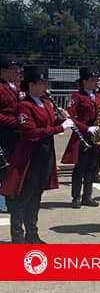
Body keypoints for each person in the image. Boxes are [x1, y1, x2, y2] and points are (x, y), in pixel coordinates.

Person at [0, 66, 77, 244]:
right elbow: (31, 132)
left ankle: (32, 233)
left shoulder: (46, 102)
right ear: (32, 84)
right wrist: (60, 127)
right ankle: (18, 236)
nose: (45, 86)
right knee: (23, 197)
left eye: (46, 83)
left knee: (36, 196)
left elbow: (49, 123)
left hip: (45, 155)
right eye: (42, 83)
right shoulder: (24, 106)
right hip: (29, 157)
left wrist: (61, 119)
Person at [61, 66, 100, 208]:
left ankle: (87, 196)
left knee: (92, 167)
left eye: (96, 80)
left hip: (97, 133)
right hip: (83, 134)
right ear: (84, 81)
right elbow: (70, 116)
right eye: (92, 80)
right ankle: (76, 197)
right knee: (80, 167)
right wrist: (87, 128)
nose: (96, 83)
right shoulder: (77, 96)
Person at [0, 54, 23, 214]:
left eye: (17, 69)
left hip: (18, 134)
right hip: (4, 133)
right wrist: (16, 122)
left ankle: (13, 198)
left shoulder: (18, 88)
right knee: (4, 169)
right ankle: (4, 202)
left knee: (14, 168)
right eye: (13, 69)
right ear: (2, 71)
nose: (17, 72)